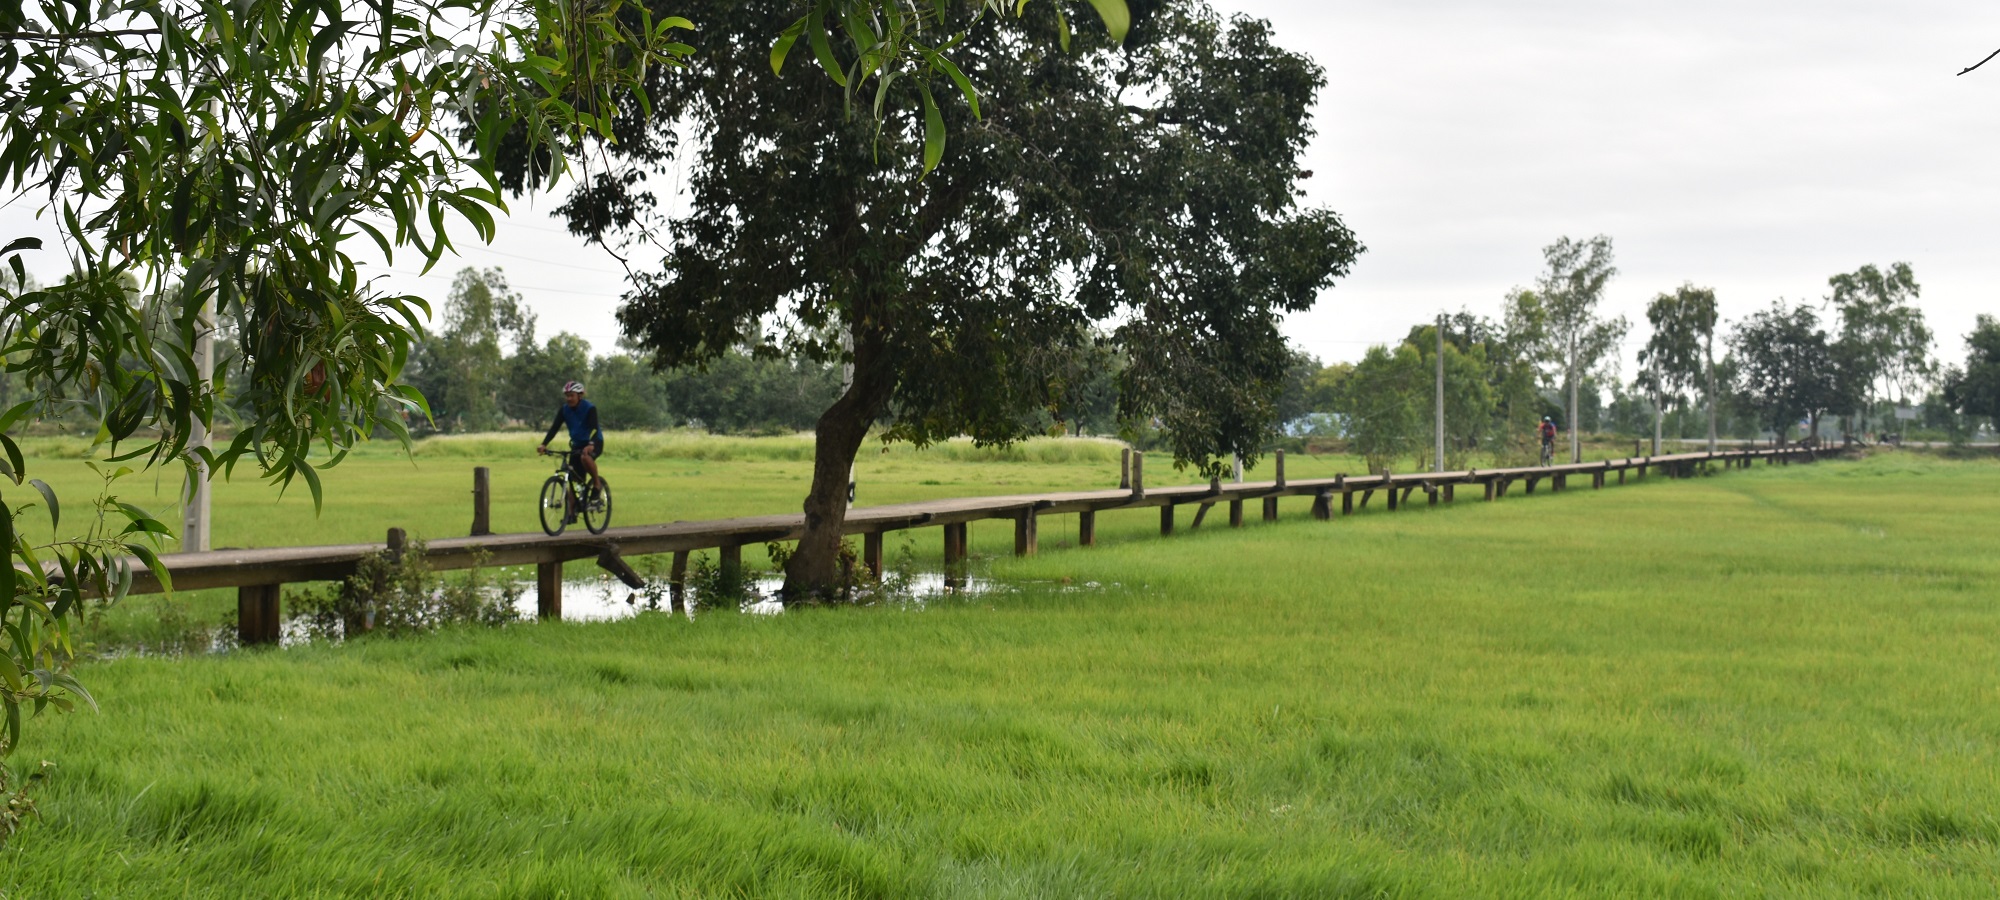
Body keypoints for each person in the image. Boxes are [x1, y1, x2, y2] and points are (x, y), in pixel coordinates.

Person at [538, 380, 605, 497]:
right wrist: (544, 444)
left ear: (580, 396)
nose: (568, 399)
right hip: (577, 444)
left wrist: (590, 444)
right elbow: (554, 428)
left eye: (571, 396)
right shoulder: (564, 410)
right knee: (575, 483)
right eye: (567, 396)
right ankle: (570, 514)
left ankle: (597, 483)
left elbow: (594, 428)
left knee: (585, 457)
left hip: (594, 441)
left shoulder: (589, 408)